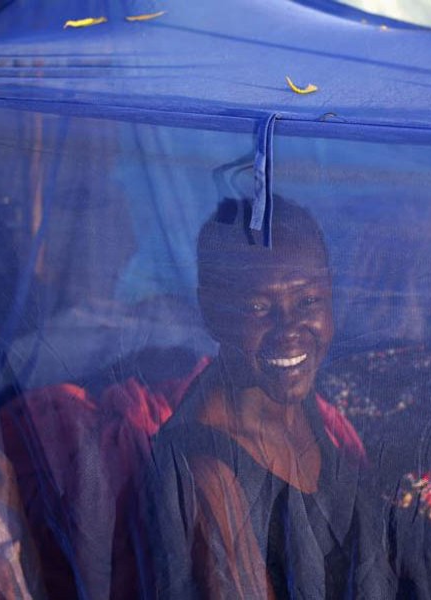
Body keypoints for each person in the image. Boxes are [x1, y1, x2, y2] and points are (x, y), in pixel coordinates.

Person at [138, 197, 398, 599]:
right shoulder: (208, 473)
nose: (290, 329)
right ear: (212, 310)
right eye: (259, 307)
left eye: (309, 301)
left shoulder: (300, 405)